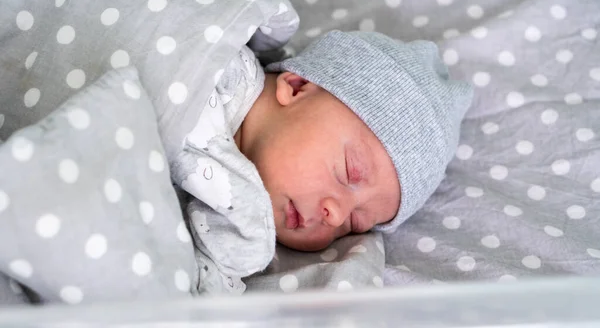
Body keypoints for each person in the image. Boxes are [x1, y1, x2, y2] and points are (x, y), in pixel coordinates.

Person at [185, 29, 473, 255]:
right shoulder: (212, 64)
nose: (335, 217)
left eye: (354, 225)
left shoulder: (238, 230)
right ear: (297, 88)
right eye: (349, 171)